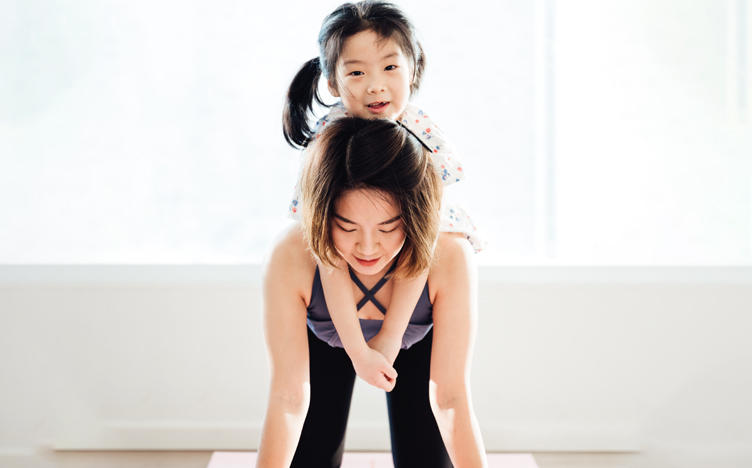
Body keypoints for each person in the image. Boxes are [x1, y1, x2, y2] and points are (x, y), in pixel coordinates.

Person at [281, 0, 487, 393]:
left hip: (411, 298)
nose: (376, 85)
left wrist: (391, 339)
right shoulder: (327, 143)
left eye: (390, 67)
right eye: (356, 72)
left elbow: (422, 244)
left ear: (414, 68)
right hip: (334, 309)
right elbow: (328, 253)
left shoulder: (422, 134)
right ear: (332, 83)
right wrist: (359, 352)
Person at [257, 118, 487, 467]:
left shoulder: (451, 255)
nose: (367, 247)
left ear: (415, 217)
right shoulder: (291, 253)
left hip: (415, 345)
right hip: (325, 343)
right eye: (346, 226)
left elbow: (451, 397)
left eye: (388, 227)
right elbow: (287, 398)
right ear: (322, 216)